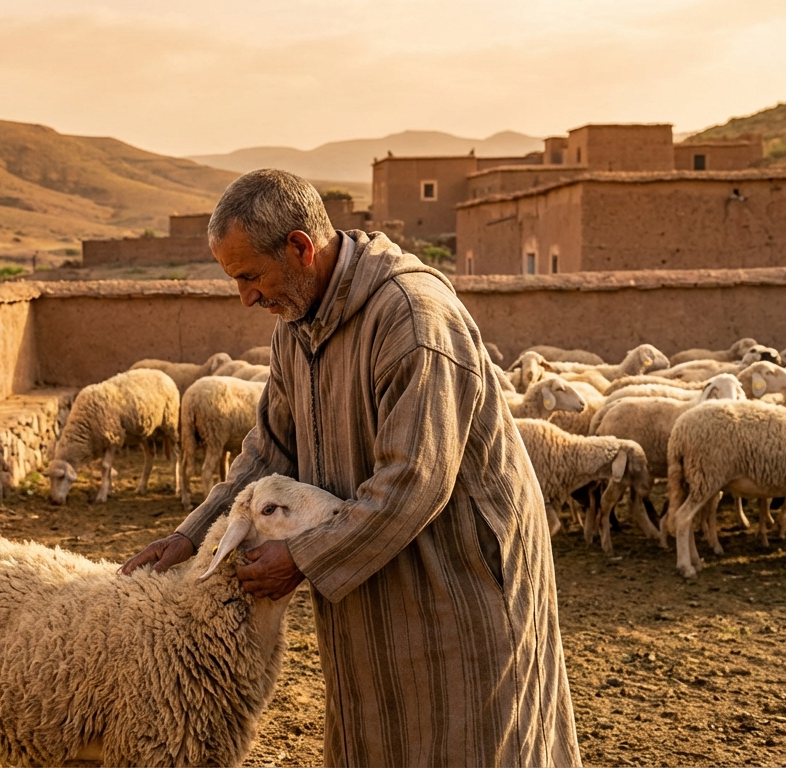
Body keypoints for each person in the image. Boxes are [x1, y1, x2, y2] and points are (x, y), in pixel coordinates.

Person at [121, 169, 580, 767]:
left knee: (469, 739)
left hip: (457, 575)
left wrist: (304, 557)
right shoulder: (297, 327)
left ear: (300, 248)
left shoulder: (413, 320)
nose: (247, 298)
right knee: (378, 733)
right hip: (371, 568)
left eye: (250, 276)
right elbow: (269, 453)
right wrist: (192, 535)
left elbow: (415, 478)